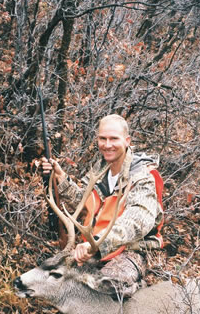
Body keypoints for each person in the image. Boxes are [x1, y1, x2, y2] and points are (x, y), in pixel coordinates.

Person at [42, 114, 164, 299]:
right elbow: (84, 202)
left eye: (114, 138)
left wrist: (97, 243)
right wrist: (60, 178)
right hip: (95, 249)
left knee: (105, 285)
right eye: (102, 138)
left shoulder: (142, 176)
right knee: (54, 276)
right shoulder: (100, 170)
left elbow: (138, 220)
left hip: (131, 251)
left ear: (127, 141)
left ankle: (140, 294)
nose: (107, 145)